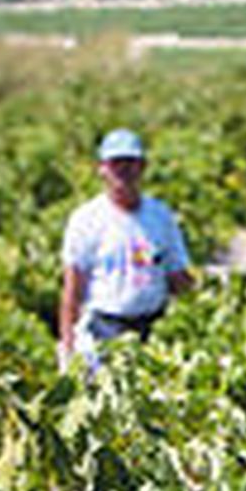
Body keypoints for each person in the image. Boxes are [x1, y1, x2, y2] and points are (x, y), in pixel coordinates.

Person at [58, 128, 194, 371]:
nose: (124, 170)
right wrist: (68, 346)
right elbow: (73, 289)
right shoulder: (86, 220)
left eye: (130, 162)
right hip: (105, 331)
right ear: (102, 168)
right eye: (116, 163)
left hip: (154, 330)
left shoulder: (161, 216)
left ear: (142, 167)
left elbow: (177, 275)